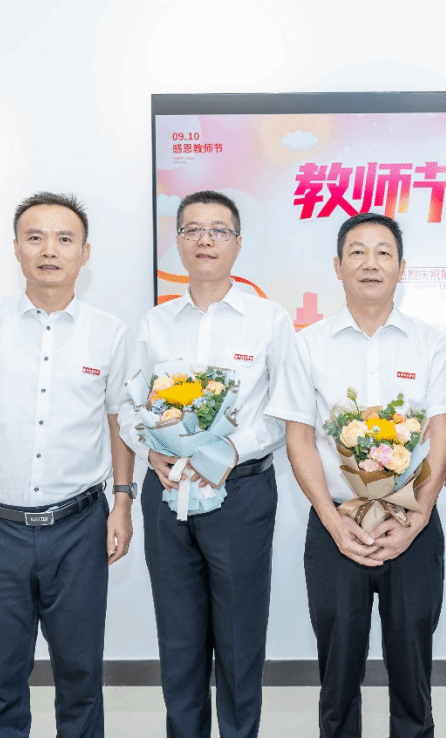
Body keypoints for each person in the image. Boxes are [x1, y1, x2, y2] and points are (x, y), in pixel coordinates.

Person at [0, 192, 134, 738]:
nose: (49, 250)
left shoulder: (109, 334)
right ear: (17, 248)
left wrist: (122, 503)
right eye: (35, 237)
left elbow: (120, 420)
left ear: (84, 253)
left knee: (81, 677)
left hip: (80, 528)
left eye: (65, 239)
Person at [266, 212, 446, 738]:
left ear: (401, 268)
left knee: (413, 673)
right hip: (336, 525)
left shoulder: (430, 343)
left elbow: (440, 433)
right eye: (357, 251)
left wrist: (418, 518)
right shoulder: (308, 343)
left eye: (383, 252)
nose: (370, 263)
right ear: (338, 266)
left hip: (412, 527)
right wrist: (332, 521)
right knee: (338, 674)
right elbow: (299, 438)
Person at [118, 190, 293, 738]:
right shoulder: (154, 323)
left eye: (219, 230)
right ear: (177, 242)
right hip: (166, 490)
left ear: (238, 243)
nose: (205, 240)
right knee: (178, 638)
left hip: (241, 494)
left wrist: (224, 453)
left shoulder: (268, 319)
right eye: (193, 229)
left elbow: (285, 412)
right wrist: (150, 450)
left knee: (240, 638)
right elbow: (127, 406)